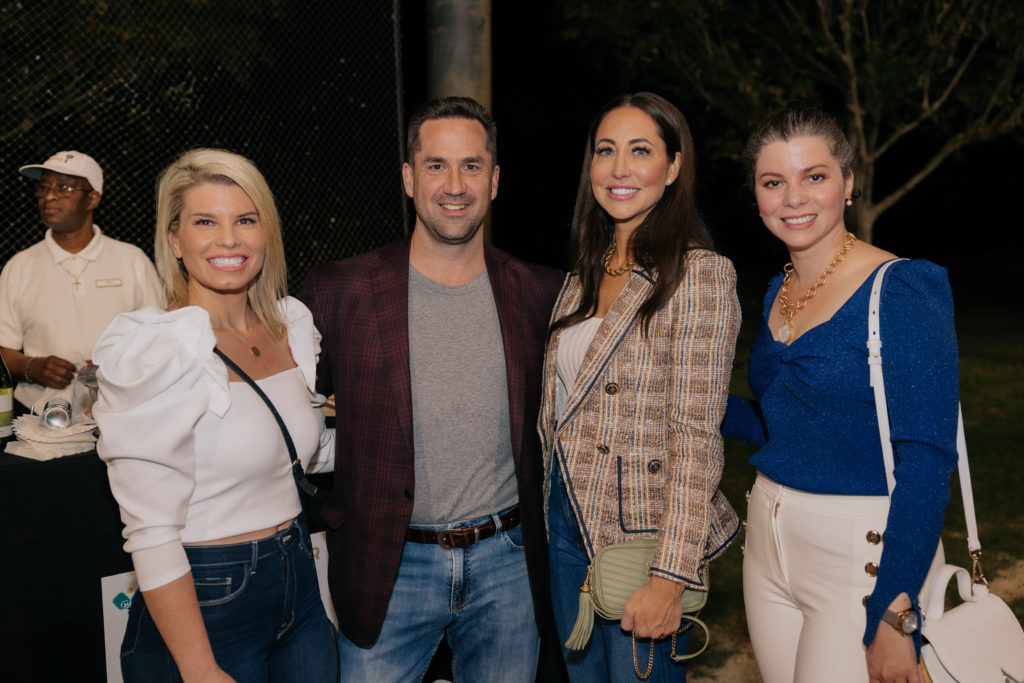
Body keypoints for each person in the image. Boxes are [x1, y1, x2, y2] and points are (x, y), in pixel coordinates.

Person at [299, 96, 565, 682]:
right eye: (436, 164)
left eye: (471, 166)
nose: (454, 184)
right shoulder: (337, 291)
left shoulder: (542, 294)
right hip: (386, 569)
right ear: (408, 177)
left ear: (494, 181)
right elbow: (282, 413)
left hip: (509, 566)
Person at [724, 104, 959, 683]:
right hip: (769, 549)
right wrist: (696, 406)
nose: (794, 198)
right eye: (773, 182)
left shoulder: (902, 289)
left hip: (861, 557)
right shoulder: (780, 289)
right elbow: (791, 425)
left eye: (815, 177)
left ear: (848, 183)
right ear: (756, 193)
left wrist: (893, 610)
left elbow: (927, 463)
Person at [92, 149, 338, 682]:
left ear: (265, 233)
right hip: (207, 599)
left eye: (245, 220)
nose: (229, 239)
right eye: (206, 221)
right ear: (175, 240)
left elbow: (300, 453)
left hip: (299, 582)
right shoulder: (158, 348)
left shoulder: (290, 325)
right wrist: (199, 669)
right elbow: (151, 531)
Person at [539, 92, 741, 681]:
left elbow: (697, 437)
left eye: (640, 150)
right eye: (606, 151)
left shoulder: (699, 272)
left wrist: (671, 576)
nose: (619, 168)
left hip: (640, 541)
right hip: (565, 523)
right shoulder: (586, 272)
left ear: (674, 166)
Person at [0, 151, 162, 416]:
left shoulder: (131, 260)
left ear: (93, 198)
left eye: (64, 188)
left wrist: (115, 362)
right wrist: (33, 367)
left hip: (122, 409)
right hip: (38, 414)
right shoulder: (20, 266)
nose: (49, 196)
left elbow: (159, 338)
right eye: (44, 187)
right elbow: (4, 350)